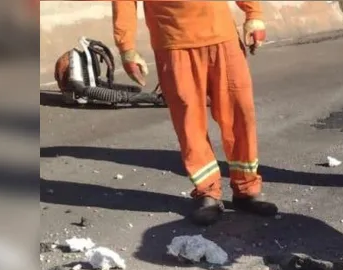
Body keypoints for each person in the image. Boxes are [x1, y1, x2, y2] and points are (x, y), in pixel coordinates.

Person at [112, 1, 276, 226]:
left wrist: (254, 14)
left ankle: (246, 189)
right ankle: (207, 192)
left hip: (223, 39)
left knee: (241, 116)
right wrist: (126, 48)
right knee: (190, 124)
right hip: (174, 45)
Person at [53, 37, 165, 107]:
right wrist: (151, 98)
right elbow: (113, 96)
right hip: (79, 89)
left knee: (136, 90)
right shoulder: (78, 85)